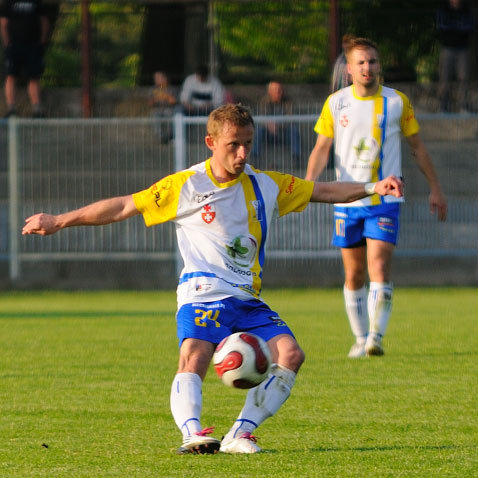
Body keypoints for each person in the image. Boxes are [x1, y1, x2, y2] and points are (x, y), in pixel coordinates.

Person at [22, 103, 403, 454]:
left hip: (246, 298)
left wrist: (373, 187)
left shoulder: (266, 185)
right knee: (195, 356)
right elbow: (125, 205)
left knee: (291, 355)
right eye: (233, 145)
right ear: (211, 142)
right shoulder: (186, 185)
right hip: (202, 292)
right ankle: (192, 433)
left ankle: (240, 432)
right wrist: (59, 220)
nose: (241, 154)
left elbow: (322, 190)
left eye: (247, 145)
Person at [305, 38, 447, 359]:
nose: (367, 67)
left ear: (378, 65)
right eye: (361, 62)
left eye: (372, 61)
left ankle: (376, 338)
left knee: (378, 265)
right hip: (346, 201)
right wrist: (307, 187)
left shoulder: (397, 102)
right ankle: (359, 337)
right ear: (350, 69)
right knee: (353, 273)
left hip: (386, 200)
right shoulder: (336, 103)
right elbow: (321, 148)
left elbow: (418, 147)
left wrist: (436, 188)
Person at [0, 0, 50, 118]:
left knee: (34, 77)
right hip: (14, 46)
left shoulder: (36, 2)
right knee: (11, 75)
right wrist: (7, 43)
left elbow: (44, 21)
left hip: (33, 46)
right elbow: (3, 23)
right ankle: (11, 109)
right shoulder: (9, 2)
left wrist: (42, 42)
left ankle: (37, 110)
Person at [436, 0, 474, 113]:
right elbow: (443, 25)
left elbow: (470, 26)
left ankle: (463, 105)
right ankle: (442, 106)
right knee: (444, 78)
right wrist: (458, 26)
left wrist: (456, 26)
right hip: (447, 48)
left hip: (463, 49)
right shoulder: (443, 10)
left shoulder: (466, 10)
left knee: (463, 78)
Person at [252, 81, 301, 161]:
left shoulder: (288, 102)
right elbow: (261, 117)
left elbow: (291, 117)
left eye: (279, 90)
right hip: (268, 134)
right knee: (258, 131)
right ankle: (255, 157)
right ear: (269, 91)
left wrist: (278, 125)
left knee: (294, 131)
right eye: (275, 90)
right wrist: (268, 125)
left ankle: (296, 157)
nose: (278, 92)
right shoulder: (264, 101)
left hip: (284, 133)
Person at [149, 71, 177, 143]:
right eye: (155, 78)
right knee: (155, 115)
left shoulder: (172, 89)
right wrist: (157, 99)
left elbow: (173, 102)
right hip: (157, 110)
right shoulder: (153, 90)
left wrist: (165, 97)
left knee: (169, 114)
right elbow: (150, 103)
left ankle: (170, 136)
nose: (156, 80)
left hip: (169, 109)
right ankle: (161, 137)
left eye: (158, 78)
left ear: (165, 79)